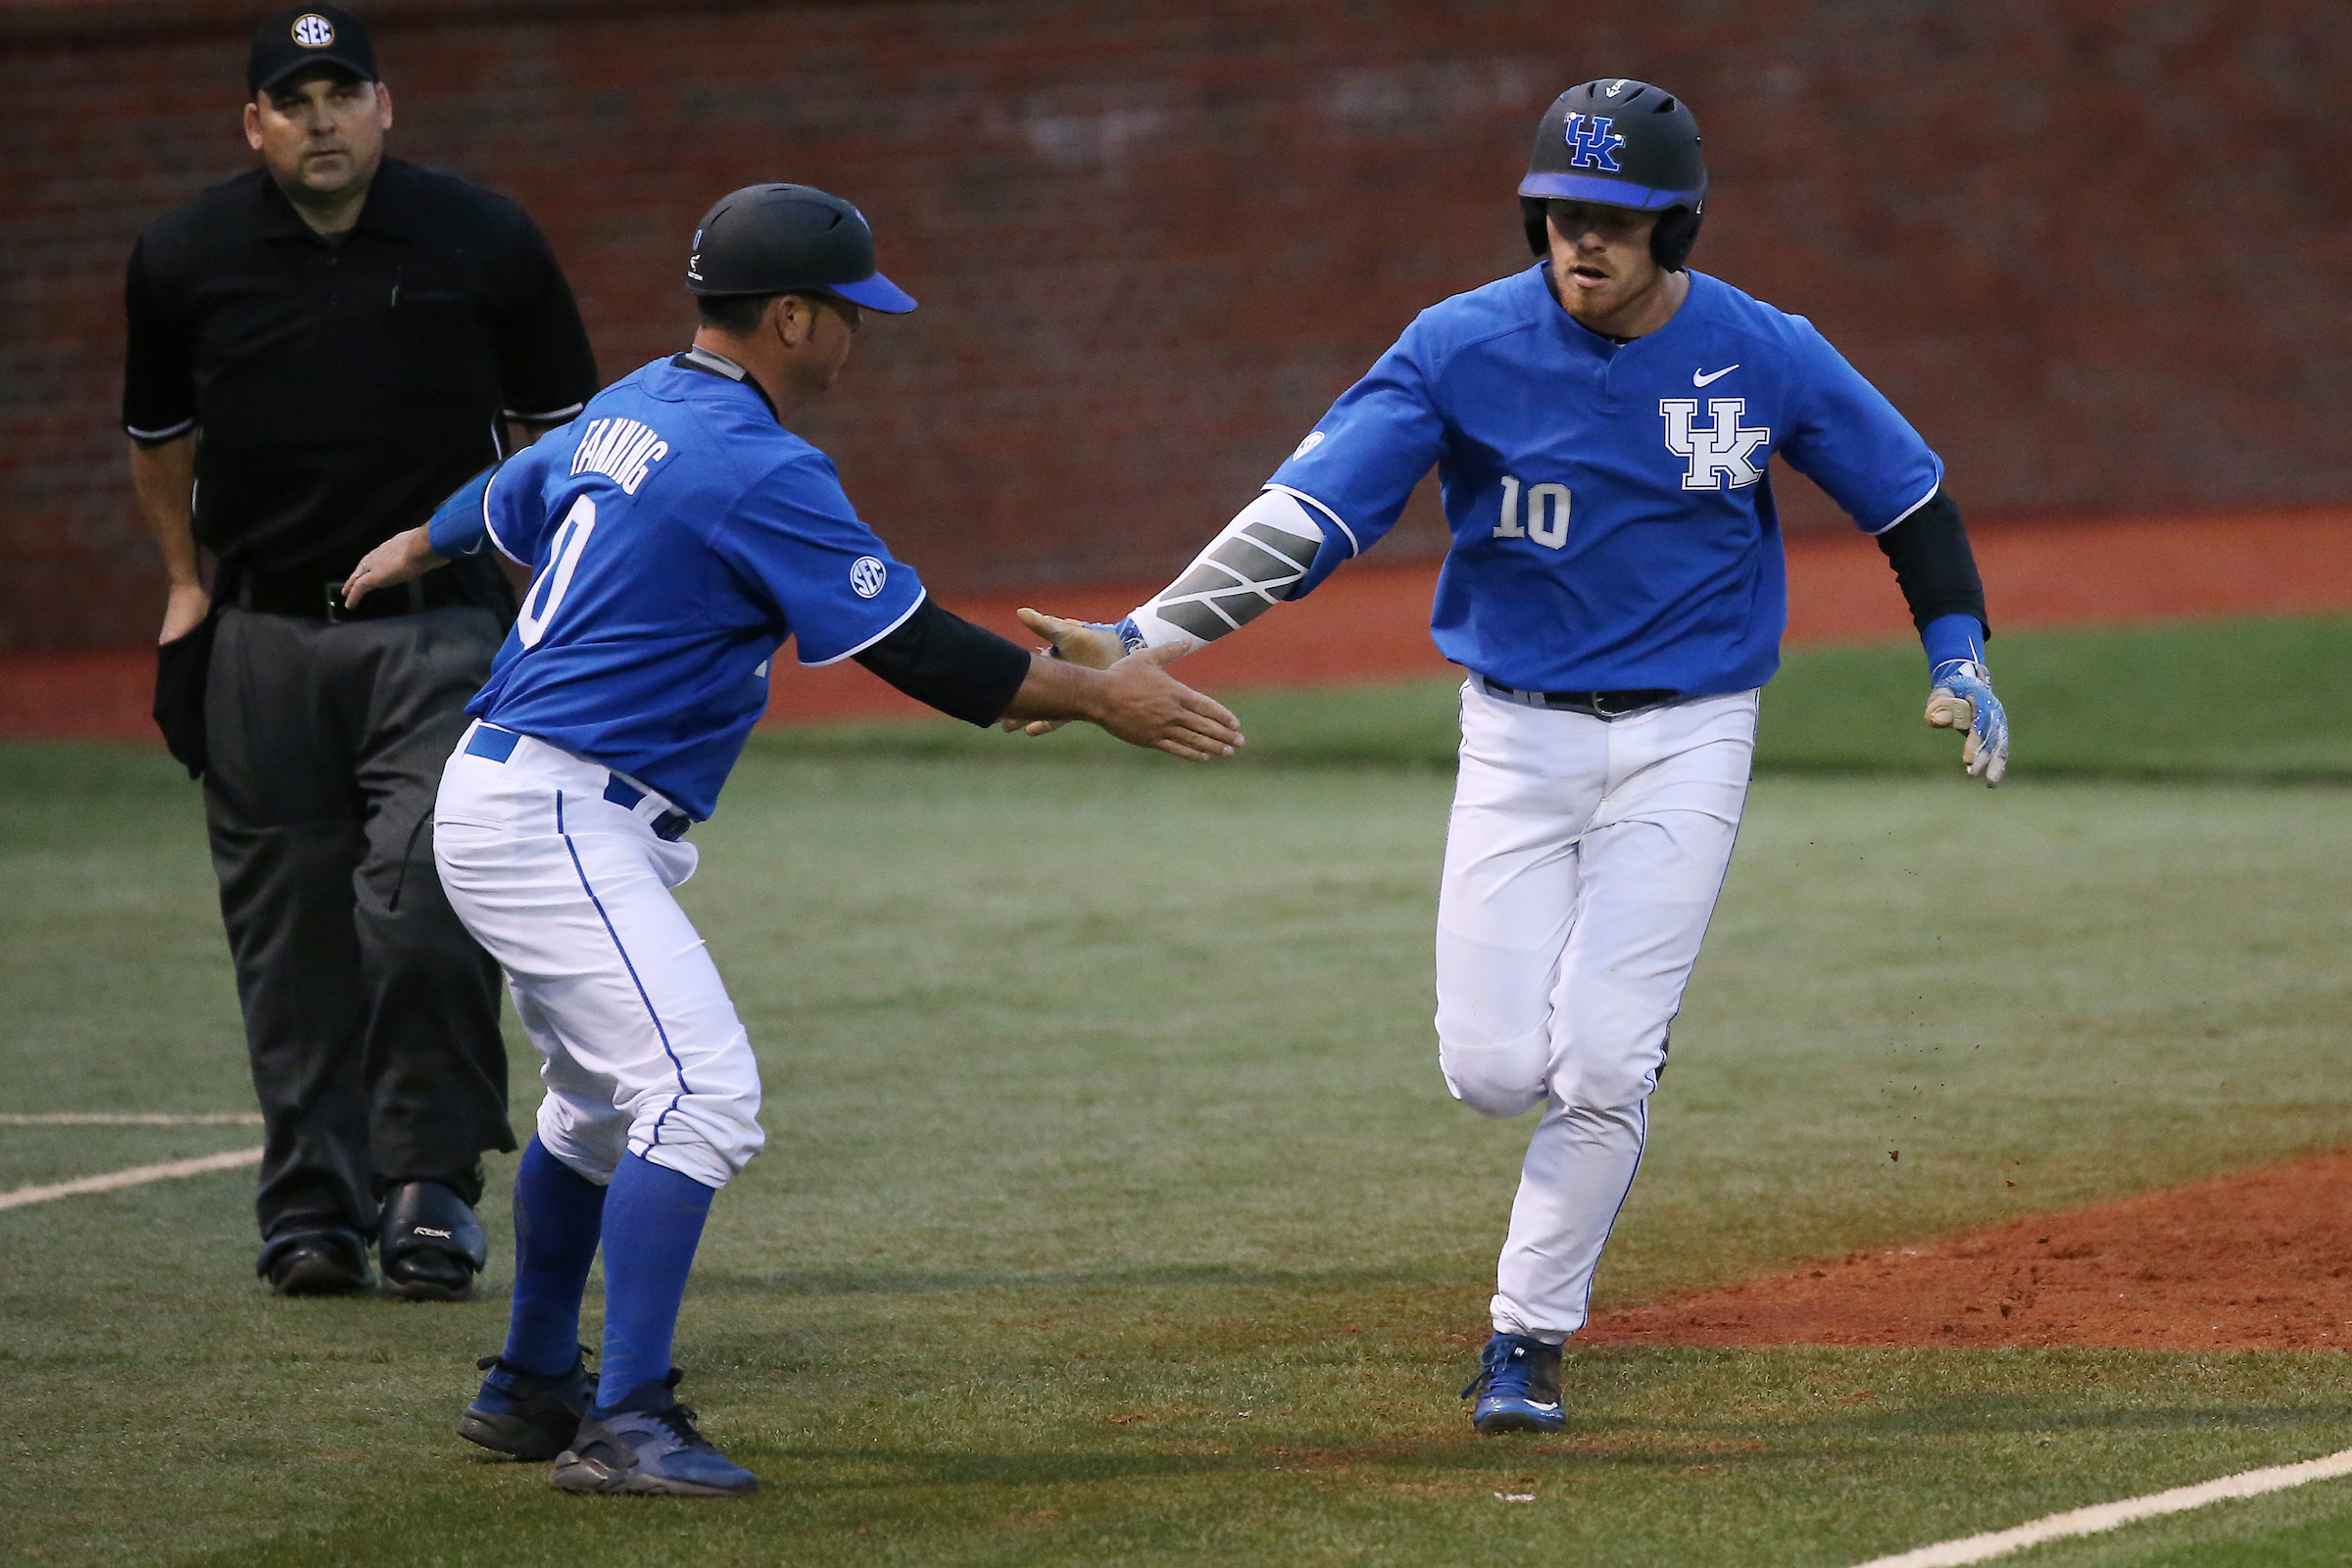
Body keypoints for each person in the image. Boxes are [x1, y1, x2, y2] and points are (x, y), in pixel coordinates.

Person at [1019, 78, 2009, 1434]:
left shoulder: (1764, 352)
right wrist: (1143, 635)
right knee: (1490, 1071)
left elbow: (1909, 498)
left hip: (1690, 736)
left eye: (1615, 220)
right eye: (1559, 215)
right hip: (1516, 737)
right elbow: (1306, 516)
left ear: (1678, 229)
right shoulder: (1457, 347)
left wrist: (1958, 649)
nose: (1581, 242)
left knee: (1603, 1061)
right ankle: (1588, 1113)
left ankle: (1525, 1338)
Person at [343, 182, 1243, 1494]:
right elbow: (925, 652)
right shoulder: (755, 465)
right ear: (787, 317)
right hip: (555, 812)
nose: (858, 338)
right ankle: (627, 1421)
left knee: (600, 1108)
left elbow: (512, 490)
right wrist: (1106, 697)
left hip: (526, 800)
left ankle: (533, 1381)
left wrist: (417, 543)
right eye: (848, 315)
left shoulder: (639, 402)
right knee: (701, 1097)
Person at [122, 5, 600, 1301]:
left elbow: (562, 434)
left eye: (344, 93)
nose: (322, 118)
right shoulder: (186, 256)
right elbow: (158, 435)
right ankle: (312, 1210)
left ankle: (431, 1184)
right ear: (254, 123)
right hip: (262, 635)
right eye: (296, 98)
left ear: (386, 107)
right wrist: (181, 590)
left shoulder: (482, 238)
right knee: (287, 939)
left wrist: (554, 603)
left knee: (432, 905)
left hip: (440, 636)